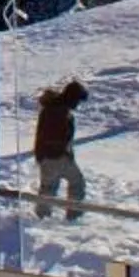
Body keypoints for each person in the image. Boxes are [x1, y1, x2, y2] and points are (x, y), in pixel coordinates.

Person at [31, 79, 88, 219]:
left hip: (48, 155)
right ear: (72, 98)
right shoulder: (59, 111)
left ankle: (42, 216)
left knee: (49, 186)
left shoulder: (55, 107)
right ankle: (72, 215)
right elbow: (56, 135)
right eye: (77, 101)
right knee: (76, 182)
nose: (78, 105)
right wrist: (61, 151)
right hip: (55, 155)